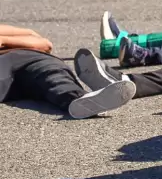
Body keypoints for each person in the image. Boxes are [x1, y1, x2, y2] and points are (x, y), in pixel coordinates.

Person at [0, 24, 135, 119]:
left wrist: (4, 40)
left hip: (30, 59)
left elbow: (43, 43)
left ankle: (82, 100)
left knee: (54, 77)